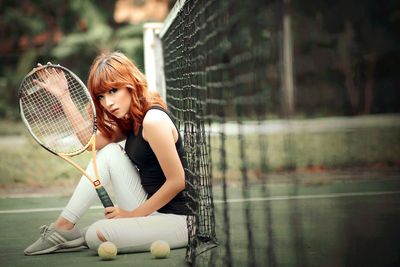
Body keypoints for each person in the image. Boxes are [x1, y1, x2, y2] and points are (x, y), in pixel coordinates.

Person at [24, 51, 190, 255]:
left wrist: (131, 215)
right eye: (101, 96)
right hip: (152, 209)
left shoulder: (153, 121)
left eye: (113, 90)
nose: (108, 103)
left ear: (130, 83)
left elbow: (177, 181)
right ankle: (63, 227)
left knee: (97, 234)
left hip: (180, 220)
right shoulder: (133, 120)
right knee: (109, 152)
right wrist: (64, 96)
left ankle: (85, 234)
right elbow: (90, 143)